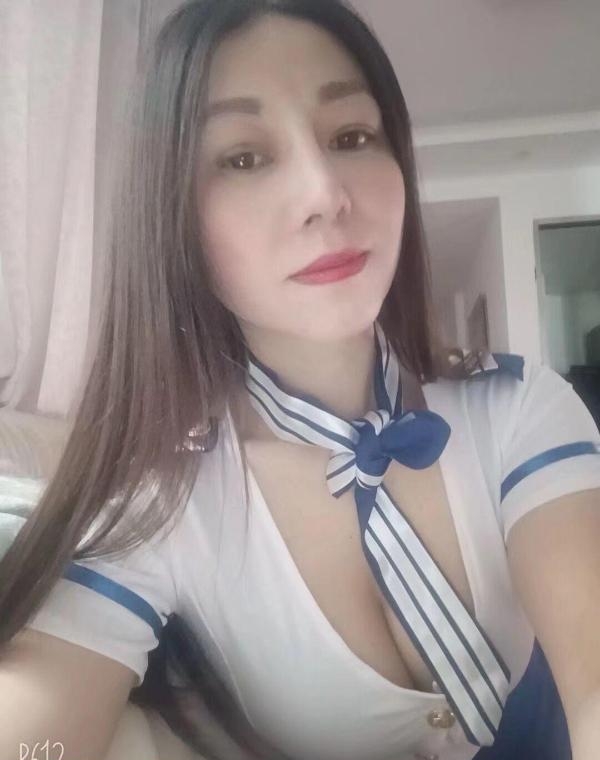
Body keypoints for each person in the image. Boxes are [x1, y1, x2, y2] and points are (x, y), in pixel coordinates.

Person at [1, 1, 599, 759]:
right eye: (242, 157)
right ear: (173, 218)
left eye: (352, 137)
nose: (323, 193)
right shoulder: (164, 502)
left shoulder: (517, 408)